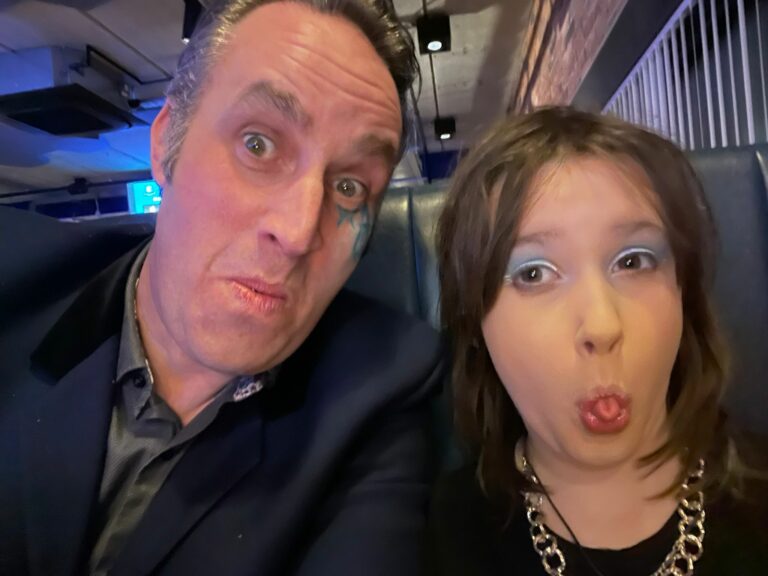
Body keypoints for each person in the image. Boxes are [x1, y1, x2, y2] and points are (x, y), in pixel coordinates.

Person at [0, 1, 444, 575]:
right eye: (258, 144)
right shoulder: (15, 284)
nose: (297, 232)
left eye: (351, 187)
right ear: (167, 143)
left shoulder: (380, 389)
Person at [426, 107, 767, 575]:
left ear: (684, 294)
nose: (602, 326)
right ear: (475, 325)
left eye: (633, 261)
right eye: (533, 273)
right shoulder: (442, 536)